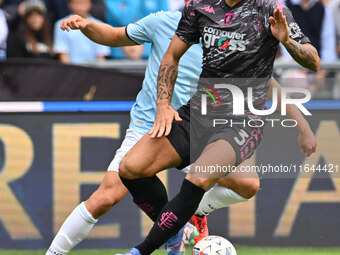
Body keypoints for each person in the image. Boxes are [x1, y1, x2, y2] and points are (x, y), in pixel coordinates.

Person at [49, 2, 318, 255]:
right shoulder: (167, 21)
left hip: (214, 125)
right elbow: (115, 36)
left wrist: (301, 123)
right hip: (155, 122)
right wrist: (86, 26)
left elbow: (271, 80)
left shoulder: (252, 22)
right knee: (108, 194)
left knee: (246, 184)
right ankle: (57, 252)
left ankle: (185, 217)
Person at [53, 0, 109, 64]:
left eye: (83, 3)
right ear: (70, 4)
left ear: (90, 4)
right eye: (77, 3)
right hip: (72, 70)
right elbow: (63, 54)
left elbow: (101, 55)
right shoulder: (62, 24)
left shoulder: (99, 24)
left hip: (94, 70)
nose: (80, 7)